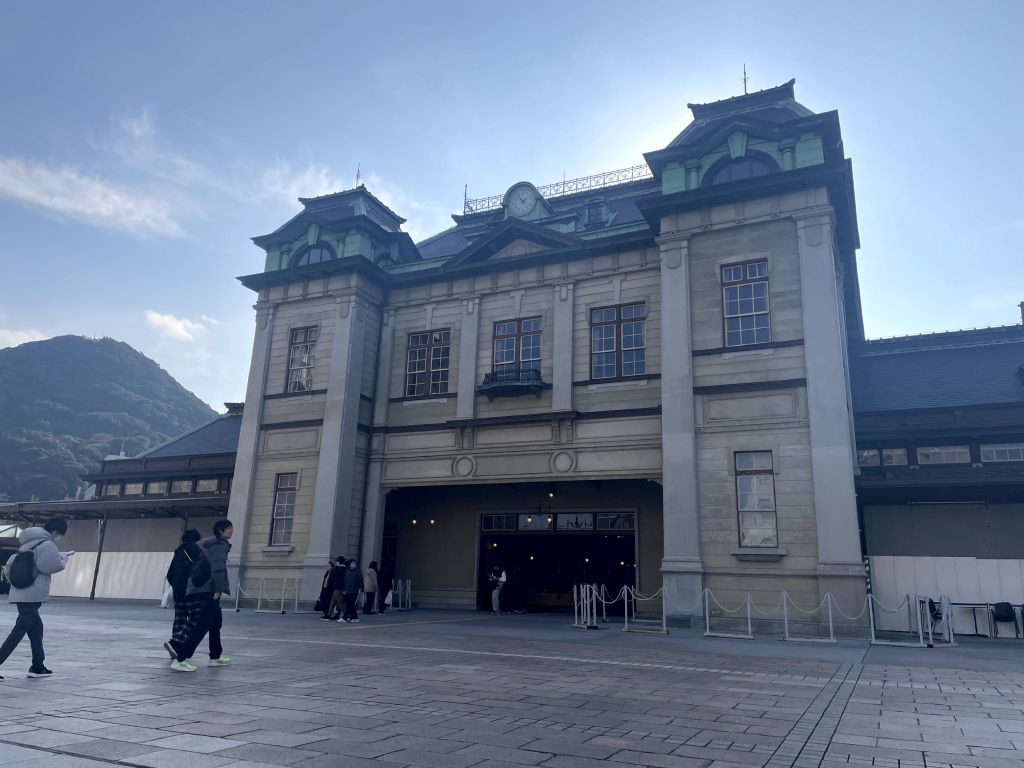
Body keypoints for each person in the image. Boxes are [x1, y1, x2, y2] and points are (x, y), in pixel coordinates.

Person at [0, 518, 71, 679]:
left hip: (20, 592)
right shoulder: (47, 544)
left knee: (36, 628)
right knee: (18, 631)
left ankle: (38, 666)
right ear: (56, 531)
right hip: (32, 595)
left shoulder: (27, 544)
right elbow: (51, 566)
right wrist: (63, 558)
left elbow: (9, 567)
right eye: (60, 533)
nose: (59, 536)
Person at [167, 519, 233, 671]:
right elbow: (217, 569)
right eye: (229, 528)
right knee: (202, 625)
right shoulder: (219, 545)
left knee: (215, 623)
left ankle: (215, 657)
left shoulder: (211, 544)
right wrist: (218, 590)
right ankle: (181, 659)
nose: (232, 531)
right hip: (206, 590)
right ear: (221, 531)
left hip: (200, 588)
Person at [163, 529, 202, 665]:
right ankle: (176, 642)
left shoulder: (179, 551)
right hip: (190, 590)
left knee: (179, 618)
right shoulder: (195, 550)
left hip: (178, 591)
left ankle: (176, 648)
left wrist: (176, 586)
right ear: (196, 539)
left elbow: (170, 574)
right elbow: (199, 570)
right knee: (196, 617)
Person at [338, 558, 363, 623]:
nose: (354, 564)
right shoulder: (348, 571)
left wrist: (361, 588)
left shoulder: (358, 571)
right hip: (348, 591)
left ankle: (345, 618)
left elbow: (361, 581)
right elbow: (345, 581)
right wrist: (344, 589)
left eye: (355, 563)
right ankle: (355, 617)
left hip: (354, 591)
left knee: (350, 605)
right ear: (349, 564)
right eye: (353, 563)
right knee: (351, 605)